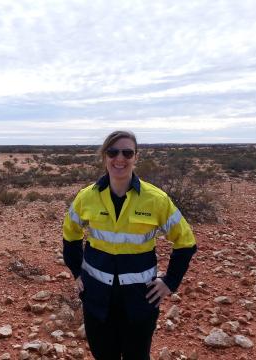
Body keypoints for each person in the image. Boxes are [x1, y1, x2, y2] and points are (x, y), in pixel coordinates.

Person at [62, 130, 197, 360]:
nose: (120, 159)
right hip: (96, 298)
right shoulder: (86, 197)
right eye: (113, 152)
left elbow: (186, 242)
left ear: (136, 157)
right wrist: (77, 272)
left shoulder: (156, 199)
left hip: (139, 301)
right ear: (104, 156)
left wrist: (170, 281)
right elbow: (70, 235)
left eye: (127, 152)